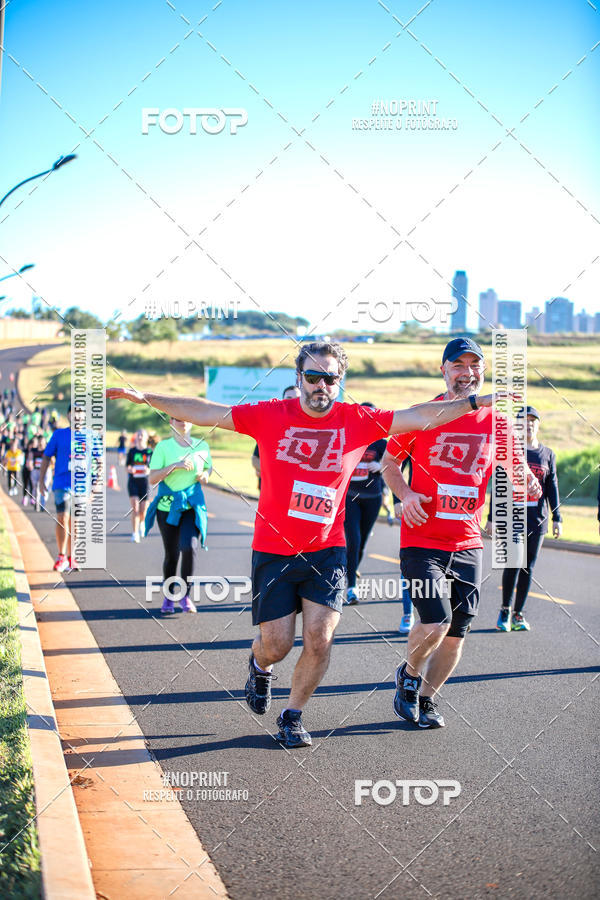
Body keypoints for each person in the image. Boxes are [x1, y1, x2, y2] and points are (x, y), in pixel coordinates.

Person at [108, 340, 501, 749]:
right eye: (313, 377)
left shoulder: (359, 420)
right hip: (274, 550)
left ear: (340, 381)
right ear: (299, 380)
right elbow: (207, 411)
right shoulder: (269, 415)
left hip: (327, 551)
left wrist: (477, 401)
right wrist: (147, 398)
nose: (321, 385)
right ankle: (259, 666)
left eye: (330, 378)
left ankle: (292, 715)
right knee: (277, 645)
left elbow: (421, 415)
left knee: (319, 636)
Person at [382, 338, 542, 730]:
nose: (467, 373)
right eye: (459, 365)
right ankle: (408, 674)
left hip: (468, 542)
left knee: (457, 632)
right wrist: (405, 493)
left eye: (475, 366)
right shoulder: (425, 414)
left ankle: (427, 698)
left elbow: (515, 471)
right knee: (435, 620)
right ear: (444, 370)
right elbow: (388, 462)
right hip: (422, 537)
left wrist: (529, 484)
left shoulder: (498, 423)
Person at [487, 406, 562, 632]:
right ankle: (505, 610)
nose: (528, 424)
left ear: (538, 425)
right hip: (512, 518)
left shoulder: (548, 454)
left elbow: (552, 487)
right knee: (514, 563)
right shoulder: (509, 452)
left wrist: (557, 517)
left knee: (528, 567)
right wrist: (491, 517)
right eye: (523, 421)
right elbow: (498, 486)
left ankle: (519, 614)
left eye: (532, 421)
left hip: (537, 520)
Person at [145, 419, 212, 614]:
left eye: (185, 417)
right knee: (172, 555)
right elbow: (152, 478)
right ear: (171, 423)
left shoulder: (203, 445)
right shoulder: (163, 447)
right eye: (176, 418)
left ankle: (185, 596)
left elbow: (208, 467)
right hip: (167, 507)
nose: (182, 421)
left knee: (189, 547)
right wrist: (175, 465)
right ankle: (168, 596)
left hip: (192, 506)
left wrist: (205, 475)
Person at [344, 401, 388, 604]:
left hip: (372, 498)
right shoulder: (348, 437)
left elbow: (392, 464)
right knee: (352, 540)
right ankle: (351, 587)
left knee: (361, 542)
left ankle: (351, 570)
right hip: (350, 497)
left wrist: (379, 465)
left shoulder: (381, 442)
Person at [39, 406, 74, 573]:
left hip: (81, 486)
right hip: (62, 483)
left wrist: (96, 484)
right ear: (68, 415)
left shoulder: (90, 436)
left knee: (76, 522)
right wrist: (41, 481)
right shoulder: (59, 435)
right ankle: (61, 556)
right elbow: (46, 456)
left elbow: (99, 459)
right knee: (63, 517)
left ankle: (72, 557)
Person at [252, 385, 300, 491]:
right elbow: (255, 459)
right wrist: (269, 472)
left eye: (297, 399)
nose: (293, 402)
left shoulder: (310, 429)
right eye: (289, 399)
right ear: (282, 401)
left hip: (297, 492)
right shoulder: (271, 427)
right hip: (270, 490)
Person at [126, 429, 152, 542]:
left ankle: (142, 522)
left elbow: (153, 467)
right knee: (135, 508)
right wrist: (130, 469)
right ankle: (135, 533)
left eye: (142, 435)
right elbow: (127, 466)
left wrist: (148, 470)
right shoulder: (132, 451)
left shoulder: (149, 452)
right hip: (133, 482)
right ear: (136, 437)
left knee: (143, 510)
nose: (140, 437)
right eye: (138, 435)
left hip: (145, 483)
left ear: (146, 438)